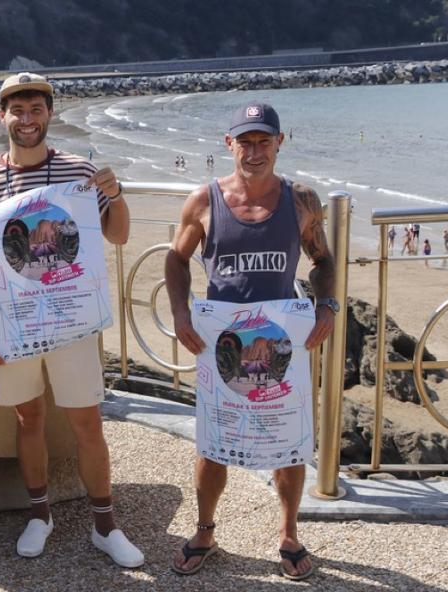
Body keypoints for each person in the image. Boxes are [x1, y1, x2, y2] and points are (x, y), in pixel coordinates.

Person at [0, 73, 141, 567]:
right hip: (12, 323)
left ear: (49, 114)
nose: (27, 119)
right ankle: (40, 515)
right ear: (2, 116)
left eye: (36, 109)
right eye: (17, 110)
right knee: (28, 418)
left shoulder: (80, 170)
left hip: (72, 320)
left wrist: (116, 194)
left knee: (87, 421)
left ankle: (106, 525)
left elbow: (119, 235)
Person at [164, 102, 335, 581]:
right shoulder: (204, 201)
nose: (254, 152)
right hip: (222, 348)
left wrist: (327, 306)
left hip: (280, 346)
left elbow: (323, 261)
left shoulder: (301, 201)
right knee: (212, 444)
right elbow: (176, 259)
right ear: (229, 144)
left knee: (289, 443)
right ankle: (204, 531)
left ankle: (289, 534)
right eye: (245, 142)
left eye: (264, 141)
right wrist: (180, 312)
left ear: (280, 142)